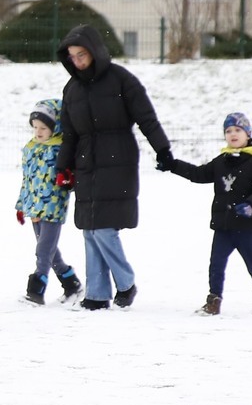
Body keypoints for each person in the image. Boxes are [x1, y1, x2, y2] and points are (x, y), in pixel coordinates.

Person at [56, 24, 172, 311]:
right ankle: (96, 294)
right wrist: (63, 167)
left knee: (104, 229)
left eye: (82, 54)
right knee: (88, 229)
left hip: (116, 159)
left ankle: (125, 282)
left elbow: (147, 117)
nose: (78, 61)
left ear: (94, 51)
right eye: (72, 56)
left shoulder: (121, 80)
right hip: (85, 163)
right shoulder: (71, 89)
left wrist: (163, 149)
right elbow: (69, 134)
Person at [160, 112, 252, 315]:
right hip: (223, 225)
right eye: (228, 131)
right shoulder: (222, 161)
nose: (233, 134)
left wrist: (251, 205)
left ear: (248, 134)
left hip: (246, 226)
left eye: (238, 130)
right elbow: (198, 174)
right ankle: (214, 300)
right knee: (216, 264)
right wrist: (173, 165)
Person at [15, 99, 83, 305]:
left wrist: (69, 178)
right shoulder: (31, 148)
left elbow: (71, 175)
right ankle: (72, 284)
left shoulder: (61, 148)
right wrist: (21, 205)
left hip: (53, 205)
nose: (38, 132)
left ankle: (36, 291)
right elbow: (26, 179)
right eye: (35, 127)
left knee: (44, 250)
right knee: (50, 252)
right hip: (34, 207)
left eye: (43, 128)